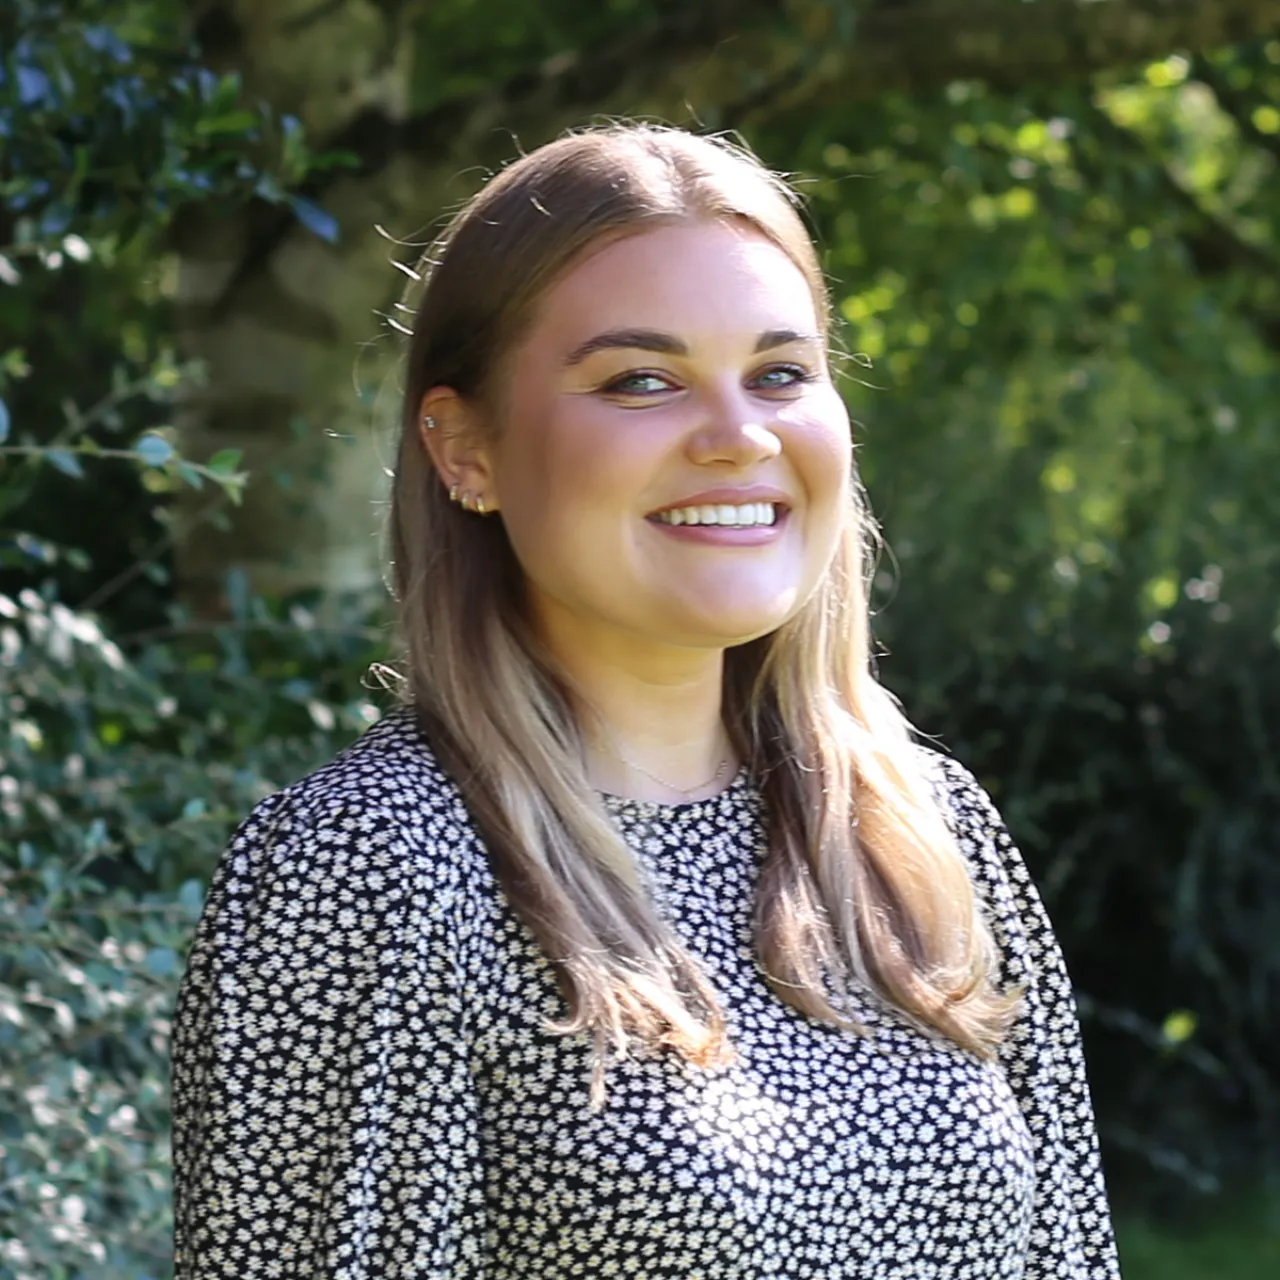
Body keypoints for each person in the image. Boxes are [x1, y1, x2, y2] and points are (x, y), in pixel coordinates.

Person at [170, 123, 1121, 1279]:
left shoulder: (919, 823)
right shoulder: (371, 864)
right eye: (640, 380)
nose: (737, 436)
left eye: (779, 373)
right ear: (464, 449)